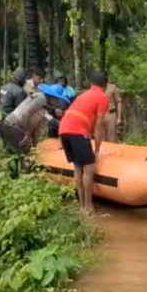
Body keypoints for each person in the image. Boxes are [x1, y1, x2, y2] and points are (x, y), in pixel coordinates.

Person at [58, 71, 109, 216]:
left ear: (91, 84)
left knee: (78, 167)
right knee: (89, 168)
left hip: (64, 129)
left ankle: (82, 206)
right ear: (105, 85)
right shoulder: (102, 97)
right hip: (77, 131)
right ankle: (89, 207)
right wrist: (97, 149)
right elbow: (99, 125)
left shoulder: (83, 95)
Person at [0, 83, 70, 175]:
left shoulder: (42, 107)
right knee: (24, 154)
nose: (56, 101)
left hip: (13, 125)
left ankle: (17, 176)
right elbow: (27, 113)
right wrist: (28, 134)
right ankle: (22, 177)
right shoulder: (41, 98)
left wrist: (34, 144)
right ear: (52, 97)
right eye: (56, 99)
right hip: (14, 126)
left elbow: (36, 127)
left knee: (22, 153)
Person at [103, 76, 123, 142]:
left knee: (112, 138)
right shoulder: (97, 88)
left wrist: (119, 118)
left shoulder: (113, 88)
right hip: (100, 115)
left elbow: (119, 102)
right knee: (101, 139)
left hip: (110, 114)